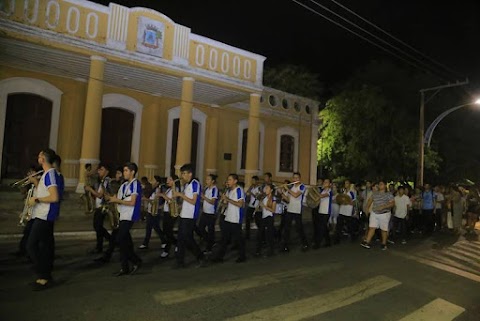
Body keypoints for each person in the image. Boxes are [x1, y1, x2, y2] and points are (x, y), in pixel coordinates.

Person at [27, 148, 62, 290]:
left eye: (40, 155)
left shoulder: (50, 174)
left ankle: (43, 275)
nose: (38, 157)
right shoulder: (46, 174)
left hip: (45, 216)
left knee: (31, 246)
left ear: (43, 159)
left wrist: (36, 199)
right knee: (45, 247)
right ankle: (45, 277)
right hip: (41, 214)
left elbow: (54, 197)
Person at [107, 162, 142, 276]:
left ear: (132, 172)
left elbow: (132, 202)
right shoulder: (123, 185)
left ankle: (131, 263)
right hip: (122, 215)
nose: (124, 173)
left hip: (130, 215)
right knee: (125, 241)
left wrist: (117, 201)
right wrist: (109, 197)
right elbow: (118, 197)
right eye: (124, 171)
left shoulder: (135, 184)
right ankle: (130, 264)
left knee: (120, 239)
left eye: (126, 170)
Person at [172, 164, 205, 268]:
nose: (182, 176)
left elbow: (194, 201)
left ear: (190, 174)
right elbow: (187, 200)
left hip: (190, 216)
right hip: (184, 215)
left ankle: (200, 256)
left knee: (188, 238)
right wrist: (179, 205)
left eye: (184, 173)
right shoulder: (187, 185)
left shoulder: (195, 184)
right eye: (182, 173)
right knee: (181, 239)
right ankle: (180, 262)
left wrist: (180, 195)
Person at [211, 174, 246, 263]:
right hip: (228, 217)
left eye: (230, 180)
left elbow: (240, 204)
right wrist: (223, 203)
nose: (228, 181)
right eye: (228, 179)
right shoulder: (229, 191)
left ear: (235, 181)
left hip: (235, 218)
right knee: (224, 239)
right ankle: (219, 257)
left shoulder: (239, 190)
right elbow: (229, 204)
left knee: (238, 239)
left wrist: (228, 199)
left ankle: (242, 256)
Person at [85, 163, 112, 254]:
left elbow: (100, 195)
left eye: (102, 170)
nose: (99, 171)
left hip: (103, 206)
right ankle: (99, 246)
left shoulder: (107, 181)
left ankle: (110, 240)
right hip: (99, 206)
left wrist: (90, 189)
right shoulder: (101, 181)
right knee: (97, 226)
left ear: (107, 171)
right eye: (99, 170)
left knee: (98, 226)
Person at [361, 180, 394, 250]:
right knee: (372, 227)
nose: (380, 185)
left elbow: (392, 203)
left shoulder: (388, 194)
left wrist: (383, 206)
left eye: (381, 184)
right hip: (374, 213)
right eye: (379, 184)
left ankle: (384, 243)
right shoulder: (375, 194)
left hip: (384, 214)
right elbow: (369, 201)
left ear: (385, 185)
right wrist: (366, 209)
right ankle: (367, 242)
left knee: (384, 229)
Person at [282, 172, 309, 252]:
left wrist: (287, 189)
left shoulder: (302, 186)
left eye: (297, 178)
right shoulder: (292, 186)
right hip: (290, 209)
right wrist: (282, 194)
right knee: (287, 228)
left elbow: (296, 195)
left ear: (300, 178)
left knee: (299, 228)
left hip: (297, 210)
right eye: (294, 178)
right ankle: (285, 246)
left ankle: (305, 244)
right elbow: (288, 199)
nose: (295, 179)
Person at [138, 176, 167, 250]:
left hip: (155, 211)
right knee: (149, 228)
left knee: (156, 227)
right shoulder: (153, 189)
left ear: (157, 182)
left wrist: (145, 199)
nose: (151, 181)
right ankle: (145, 243)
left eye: (153, 180)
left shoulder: (158, 190)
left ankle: (164, 241)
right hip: (150, 210)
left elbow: (155, 201)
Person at [158, 175, 181, 259]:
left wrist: (162, 195)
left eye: (170, 179)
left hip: (172, 213)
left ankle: (167, 250)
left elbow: (172, 201)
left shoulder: (176, 190)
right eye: (167, 179)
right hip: (166, 212)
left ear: (174, 181)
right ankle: (177, 244)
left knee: (168, 232)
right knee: (166, 232)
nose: (167, 181)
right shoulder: (169, 189)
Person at [198, 174, 219, 253]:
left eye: (208, 179)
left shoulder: (214, 189)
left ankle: (209, 247)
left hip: (211, 213)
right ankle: (210, 241)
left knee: (210, 230)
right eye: (206, 179)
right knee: (200, 228)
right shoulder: (206, 189)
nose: (206, 181)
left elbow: (213, 201)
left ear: (212, 181)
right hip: (205, 212)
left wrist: (203, 197)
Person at [255, 183, 276, 257]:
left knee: (269, 235)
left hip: (269, 217)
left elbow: (273, 210)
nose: (265, 190)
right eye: (265, 188)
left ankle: (271, 251)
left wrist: (264, 206)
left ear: (271, 190)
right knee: (260, 234)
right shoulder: (264, 197)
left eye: (267, 188)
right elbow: (261, 207)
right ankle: (258, 251)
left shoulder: (273, 198)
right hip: (264, 217)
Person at [313, 178, 333, 248]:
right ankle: (328, 242)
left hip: (326, 212)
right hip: (320, 211)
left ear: (330, 184)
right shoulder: (322, 191)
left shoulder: (329, 191)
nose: (324, 183)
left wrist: (315, 189)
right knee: (324, 227)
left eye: (326, 182)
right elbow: (316, 199)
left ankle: (317, 244)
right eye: (324, 182)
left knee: (321, 227)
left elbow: (321, 196)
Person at [245, 176, 261, 240]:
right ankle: (247, 235)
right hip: (250, 206)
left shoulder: (259, 188)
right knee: (247, 220)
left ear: (257, 181)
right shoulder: (252, 187)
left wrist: (252, 193)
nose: (252, 181)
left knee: (258, 221)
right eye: (252, 180)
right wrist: (249, 190)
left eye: (253, 180)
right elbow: (247, 193)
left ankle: (261, 234)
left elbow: (259, 197)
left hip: (256, 207)